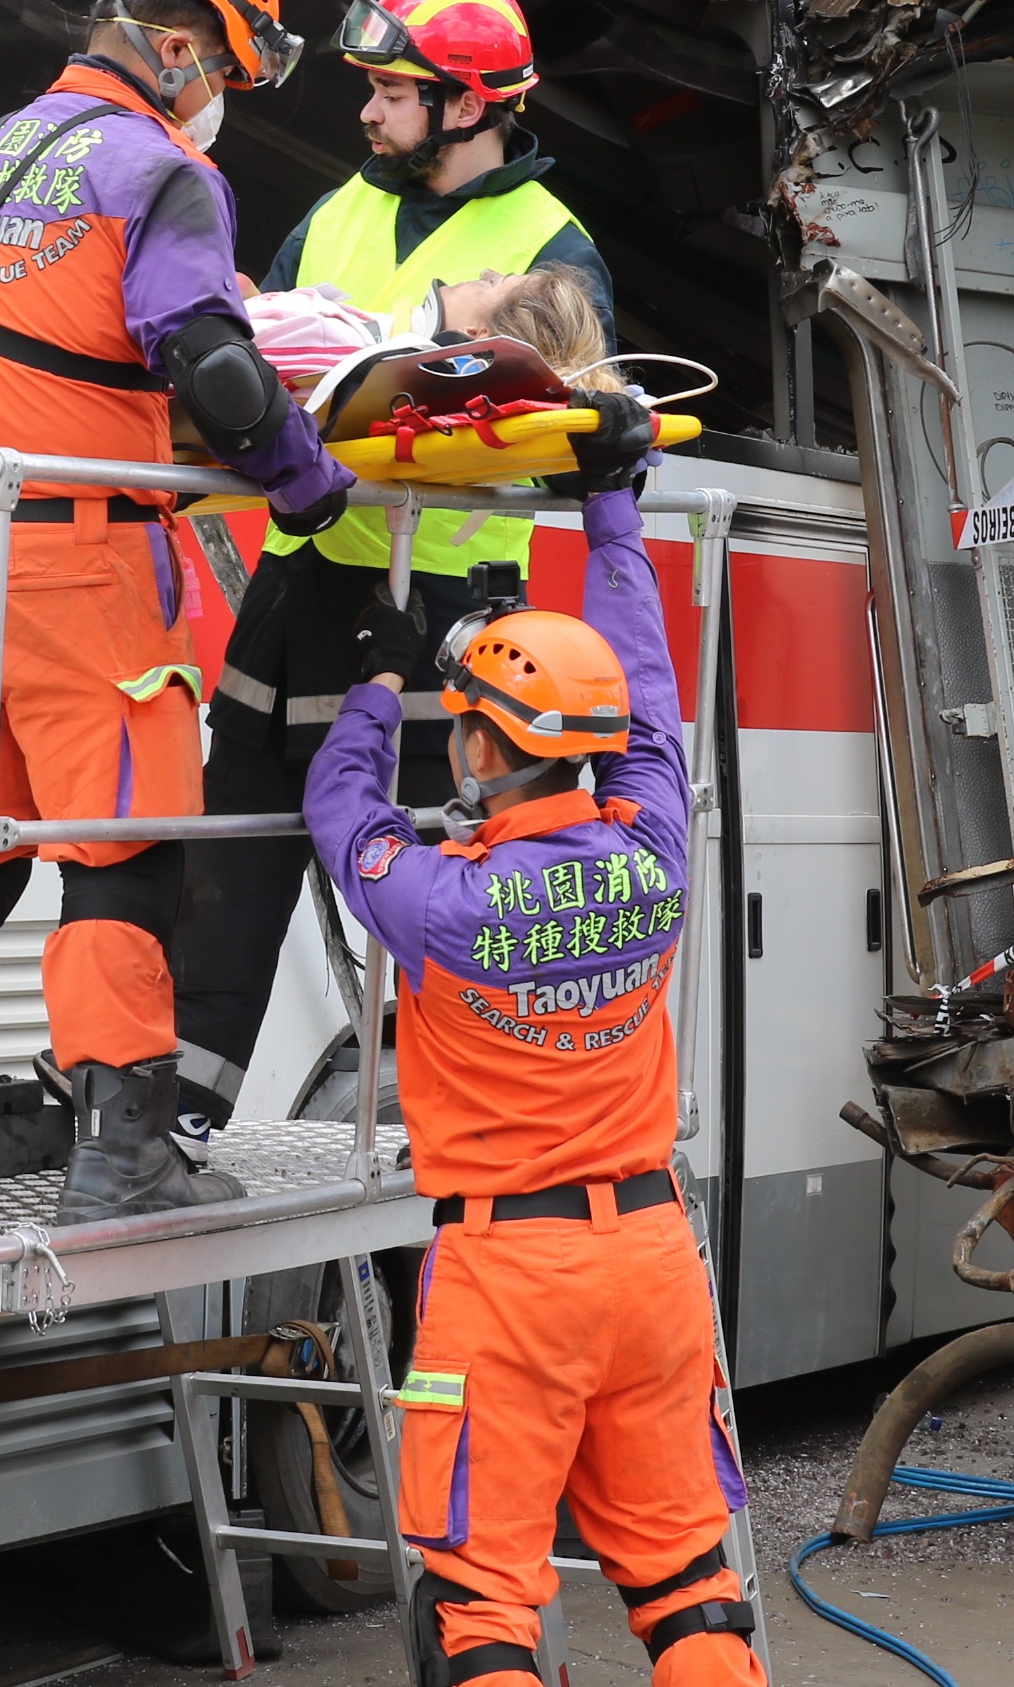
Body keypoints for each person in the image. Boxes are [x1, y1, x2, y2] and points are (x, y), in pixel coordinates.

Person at [0, 0, 357, 1225]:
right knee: (118, 856)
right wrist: (309, 480)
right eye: (227, 77)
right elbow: (216, 368)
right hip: (75, 571)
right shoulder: (156, 174)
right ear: (183, 45)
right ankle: (121, 1152)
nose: (220, 106)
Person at [303, 398, 763, 1687]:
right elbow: (651, 703)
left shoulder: (444, 900)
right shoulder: (656, 854)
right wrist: (611, 507)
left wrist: (377, 684)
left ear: (480, 746)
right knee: (688, 1584)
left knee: (486, 1605)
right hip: (656, 1264)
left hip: (512, 1277)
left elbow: (337, 808)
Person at [167, 0, 615, 1146]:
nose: (366, 112)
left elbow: (580, 426)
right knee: (234, 851)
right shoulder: (334, 211)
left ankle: (460, 1124)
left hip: (444, 606)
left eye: (394, 92)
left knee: (426, 886)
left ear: (468, 105)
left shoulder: (551, 245)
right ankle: (173, 1110)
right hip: (298, 576)